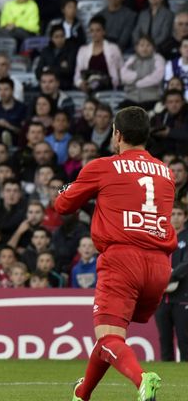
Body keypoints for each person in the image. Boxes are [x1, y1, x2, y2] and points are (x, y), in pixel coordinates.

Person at [56, 106, 176, 401]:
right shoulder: (166, 173)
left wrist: (66, 188)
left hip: (123, 260)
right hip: (160, 266)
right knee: (111, 339)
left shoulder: (103, 166)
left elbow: (63, 206)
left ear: (117, 134)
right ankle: (82, 394)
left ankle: (142, 379)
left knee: (109, 337)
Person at [155, 204, 188, 362]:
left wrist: (168, 277)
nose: (175, 217)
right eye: (172, 214)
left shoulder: (187, 237)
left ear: (185, 217)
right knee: (164, 339)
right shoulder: (160, 237)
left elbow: (186, 264)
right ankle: (166, 379)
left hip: (182, 297)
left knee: (184, 339)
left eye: (179, 214)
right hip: (161, 299)